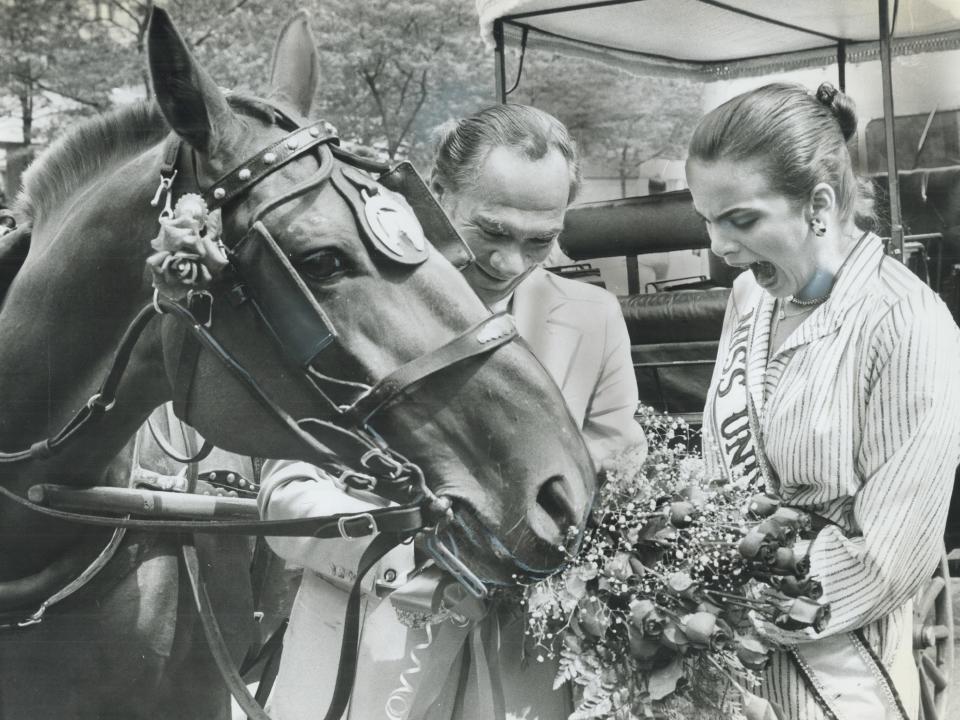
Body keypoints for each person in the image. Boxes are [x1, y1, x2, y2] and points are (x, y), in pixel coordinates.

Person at [258, 103, 645, 720]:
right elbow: (284, 492)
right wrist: (407, 547)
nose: (510, 264)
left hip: (526, 671)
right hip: (361, 654)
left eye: (540, 241)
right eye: (490, 232)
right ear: (434, 197)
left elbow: (619, 466)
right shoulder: (347, 306)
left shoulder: (595, 318)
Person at [689, 82, 960, 720]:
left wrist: (728, 605)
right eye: (707, 220)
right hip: (728, 665)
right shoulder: (750, 299)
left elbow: (890, 558)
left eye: (742, 220)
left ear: (818, 204)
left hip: (839, 672)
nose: (720, 248)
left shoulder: (908, 324)